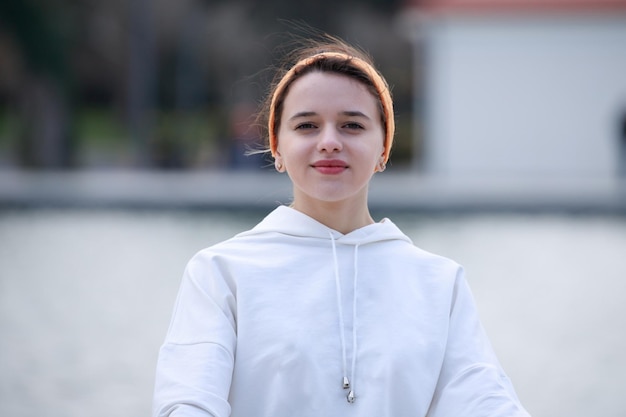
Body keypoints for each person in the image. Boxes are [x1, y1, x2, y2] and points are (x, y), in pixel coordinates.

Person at [152, 36, 531, 417]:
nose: (330, 142)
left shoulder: (439, 282)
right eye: (307, 126)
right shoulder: (220, 272)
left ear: (383, 147)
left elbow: (485, 401)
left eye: (351, 125)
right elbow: (187, 402)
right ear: (276, 147)